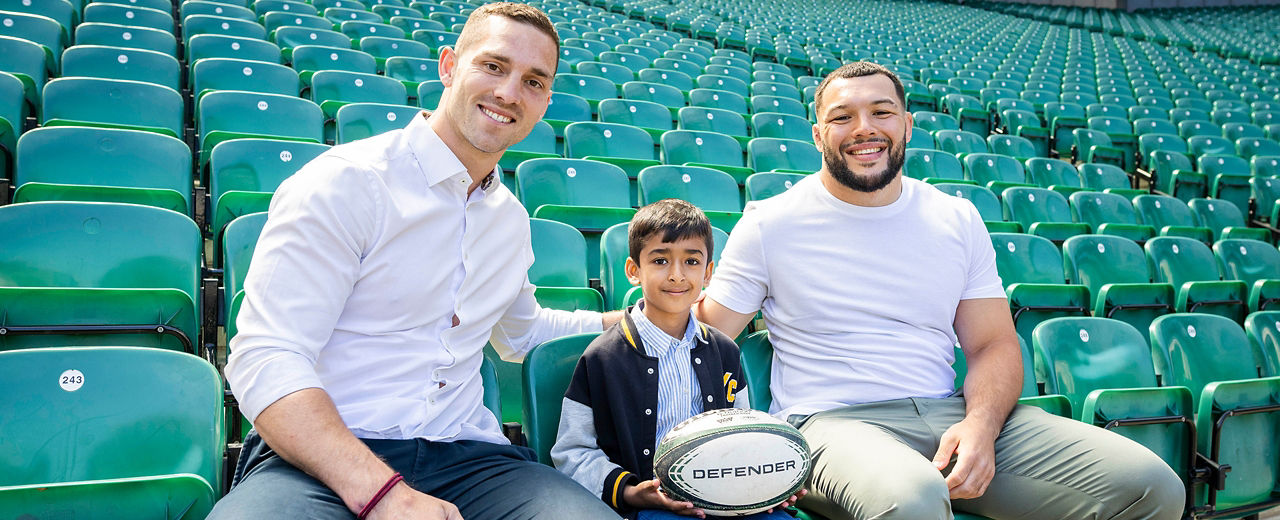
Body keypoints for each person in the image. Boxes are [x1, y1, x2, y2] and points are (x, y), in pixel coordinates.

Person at [694, 61, 1186, 520]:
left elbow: (992, 344)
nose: (864, 127)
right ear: (819, 135)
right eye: (843, 117)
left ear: (906, 125)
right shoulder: (771, 224)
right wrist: (623, 320)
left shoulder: (955, 217)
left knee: (1152, 486)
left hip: (949, 410)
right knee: (912, 499)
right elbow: (706, 333)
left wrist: (981, 426)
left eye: (881, 112)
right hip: (829, 424)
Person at [210, 4, 625, 519]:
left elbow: (522, 333)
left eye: (534, 81)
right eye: (493, 66)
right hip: (320, 459)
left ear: (545, 102)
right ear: (449, 66)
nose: (509, 93)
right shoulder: (349, 181)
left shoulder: (510, 220)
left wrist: (625, 320)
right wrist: (382, 493)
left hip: (471, 460)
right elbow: (265, 354)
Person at [551, 199, 800, 520]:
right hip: (652, 508)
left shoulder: (725, 351)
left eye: (692, 261)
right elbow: (572, 452)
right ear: (633, 271)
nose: (677, 275)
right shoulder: (602, 358)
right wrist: (629, 492)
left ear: (709, 273)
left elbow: (742, 433)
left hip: (724, 500)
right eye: (660, 260)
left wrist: (767, 485)